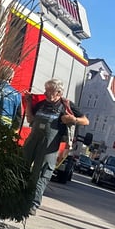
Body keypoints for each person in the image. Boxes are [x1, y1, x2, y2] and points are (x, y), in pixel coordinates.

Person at [22, 78, 89, 214]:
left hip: (50, 146)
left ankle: (32, 204)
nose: (46, 93)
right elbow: (30, 119)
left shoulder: (66, 105)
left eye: (49, 91)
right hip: (32, 141)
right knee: (22, 167)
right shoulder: (40, 104)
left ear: (58, 92)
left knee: (41, 174)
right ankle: (17, 198)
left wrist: (73, 119)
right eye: (46, 90)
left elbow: (86, 121)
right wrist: (29, 103)